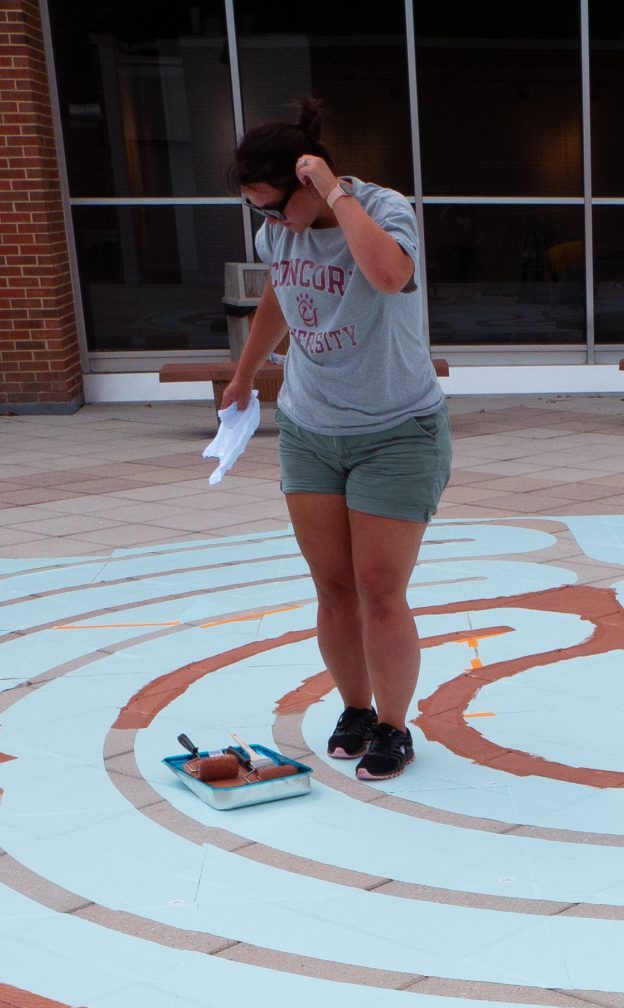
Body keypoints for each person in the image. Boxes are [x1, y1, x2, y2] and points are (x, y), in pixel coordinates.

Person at [219, 102, 449, 782]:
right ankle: (354, 708)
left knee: (381, 589)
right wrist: (244, 375)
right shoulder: (277, 236)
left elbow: (389, 275)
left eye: (272, 206)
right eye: (255, 211)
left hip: (396, 431)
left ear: (307, 183)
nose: (267, 223)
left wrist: (336, 193)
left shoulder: (384, 209)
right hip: (310, 429)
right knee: (333, 587)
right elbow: (278, 297)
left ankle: (394, 726)